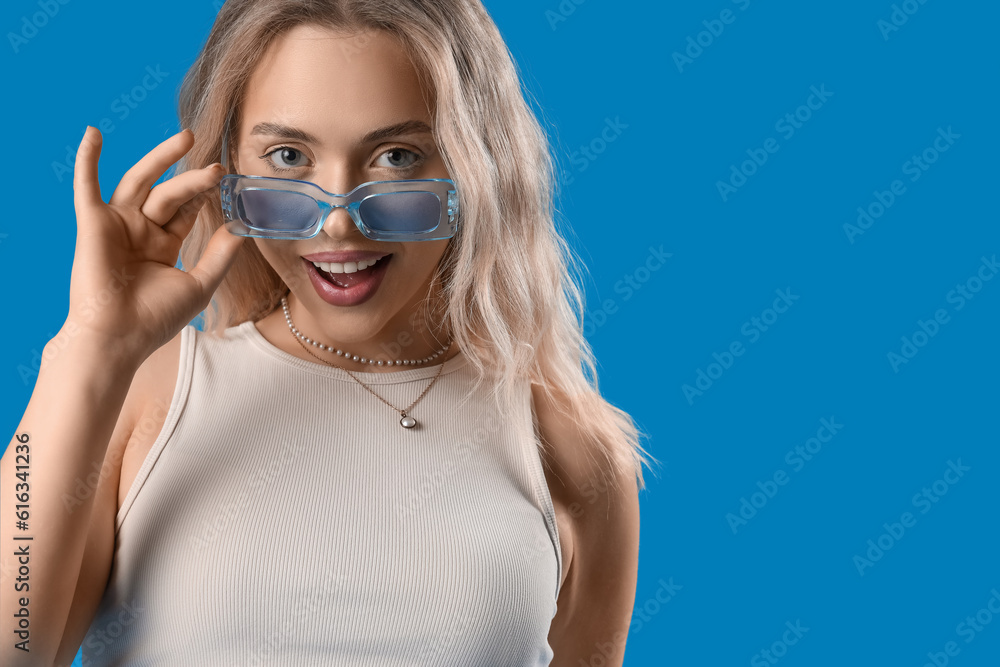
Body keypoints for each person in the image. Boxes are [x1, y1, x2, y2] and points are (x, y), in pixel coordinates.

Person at [0, 1, 657, 664]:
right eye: (289, 155)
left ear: (475, 170)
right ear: (229, 166)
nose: (338, 223)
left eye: (396, 157)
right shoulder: (145, 395)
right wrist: (89, 345)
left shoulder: (573, 452)